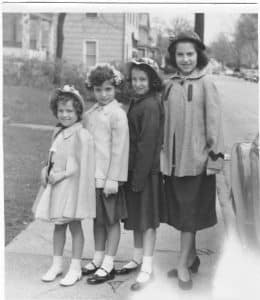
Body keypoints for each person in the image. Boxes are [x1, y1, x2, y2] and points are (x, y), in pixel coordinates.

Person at [161, 31, 225, 290]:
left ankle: (182, 266)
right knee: (183, 214)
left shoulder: (206, 83)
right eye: (180, 54)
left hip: (197, 161)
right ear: (173, 56)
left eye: (190, 54)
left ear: (198, 55)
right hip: (174, 163)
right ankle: (192, 257)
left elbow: (214, 123)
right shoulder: (169, 84)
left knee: (189, 215)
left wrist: (214, 157)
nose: (185, 59)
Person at [32, 85, 96, 286]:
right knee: (58, 226)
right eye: (61, 111)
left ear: (78, 112)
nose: (65, 115)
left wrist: (60, 174)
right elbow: (52, 155)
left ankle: (75, 267)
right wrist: (45, 168)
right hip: (57, 186)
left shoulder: (81, 135)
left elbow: (79, 164)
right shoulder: (58, 132)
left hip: (71, 187)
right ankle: (57, 263)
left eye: (70, 111)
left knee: (74, 226)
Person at [116, 58, 164, 291]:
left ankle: (147, 266)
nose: (138, 83)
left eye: (143, 79)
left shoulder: (152, 105)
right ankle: (137, 257)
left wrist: (139, 178)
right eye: (134, 79)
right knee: (136, 217)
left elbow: (147, 145)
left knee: (147, 222)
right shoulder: (138, 102)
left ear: (152, 80)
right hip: (134, 170)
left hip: (146, 173)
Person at [82, 63, 129, 284]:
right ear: (92, 89)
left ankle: (109, 263)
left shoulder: (117, 114)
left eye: (108, 89)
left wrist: (113, 178)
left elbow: (120, 150)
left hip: (109, 179)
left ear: (115, 89)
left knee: (111, 221)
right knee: (97, 220)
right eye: (98, 89)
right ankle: (97, 257)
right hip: (93, 178)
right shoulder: (90, 114)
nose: (103, 94)